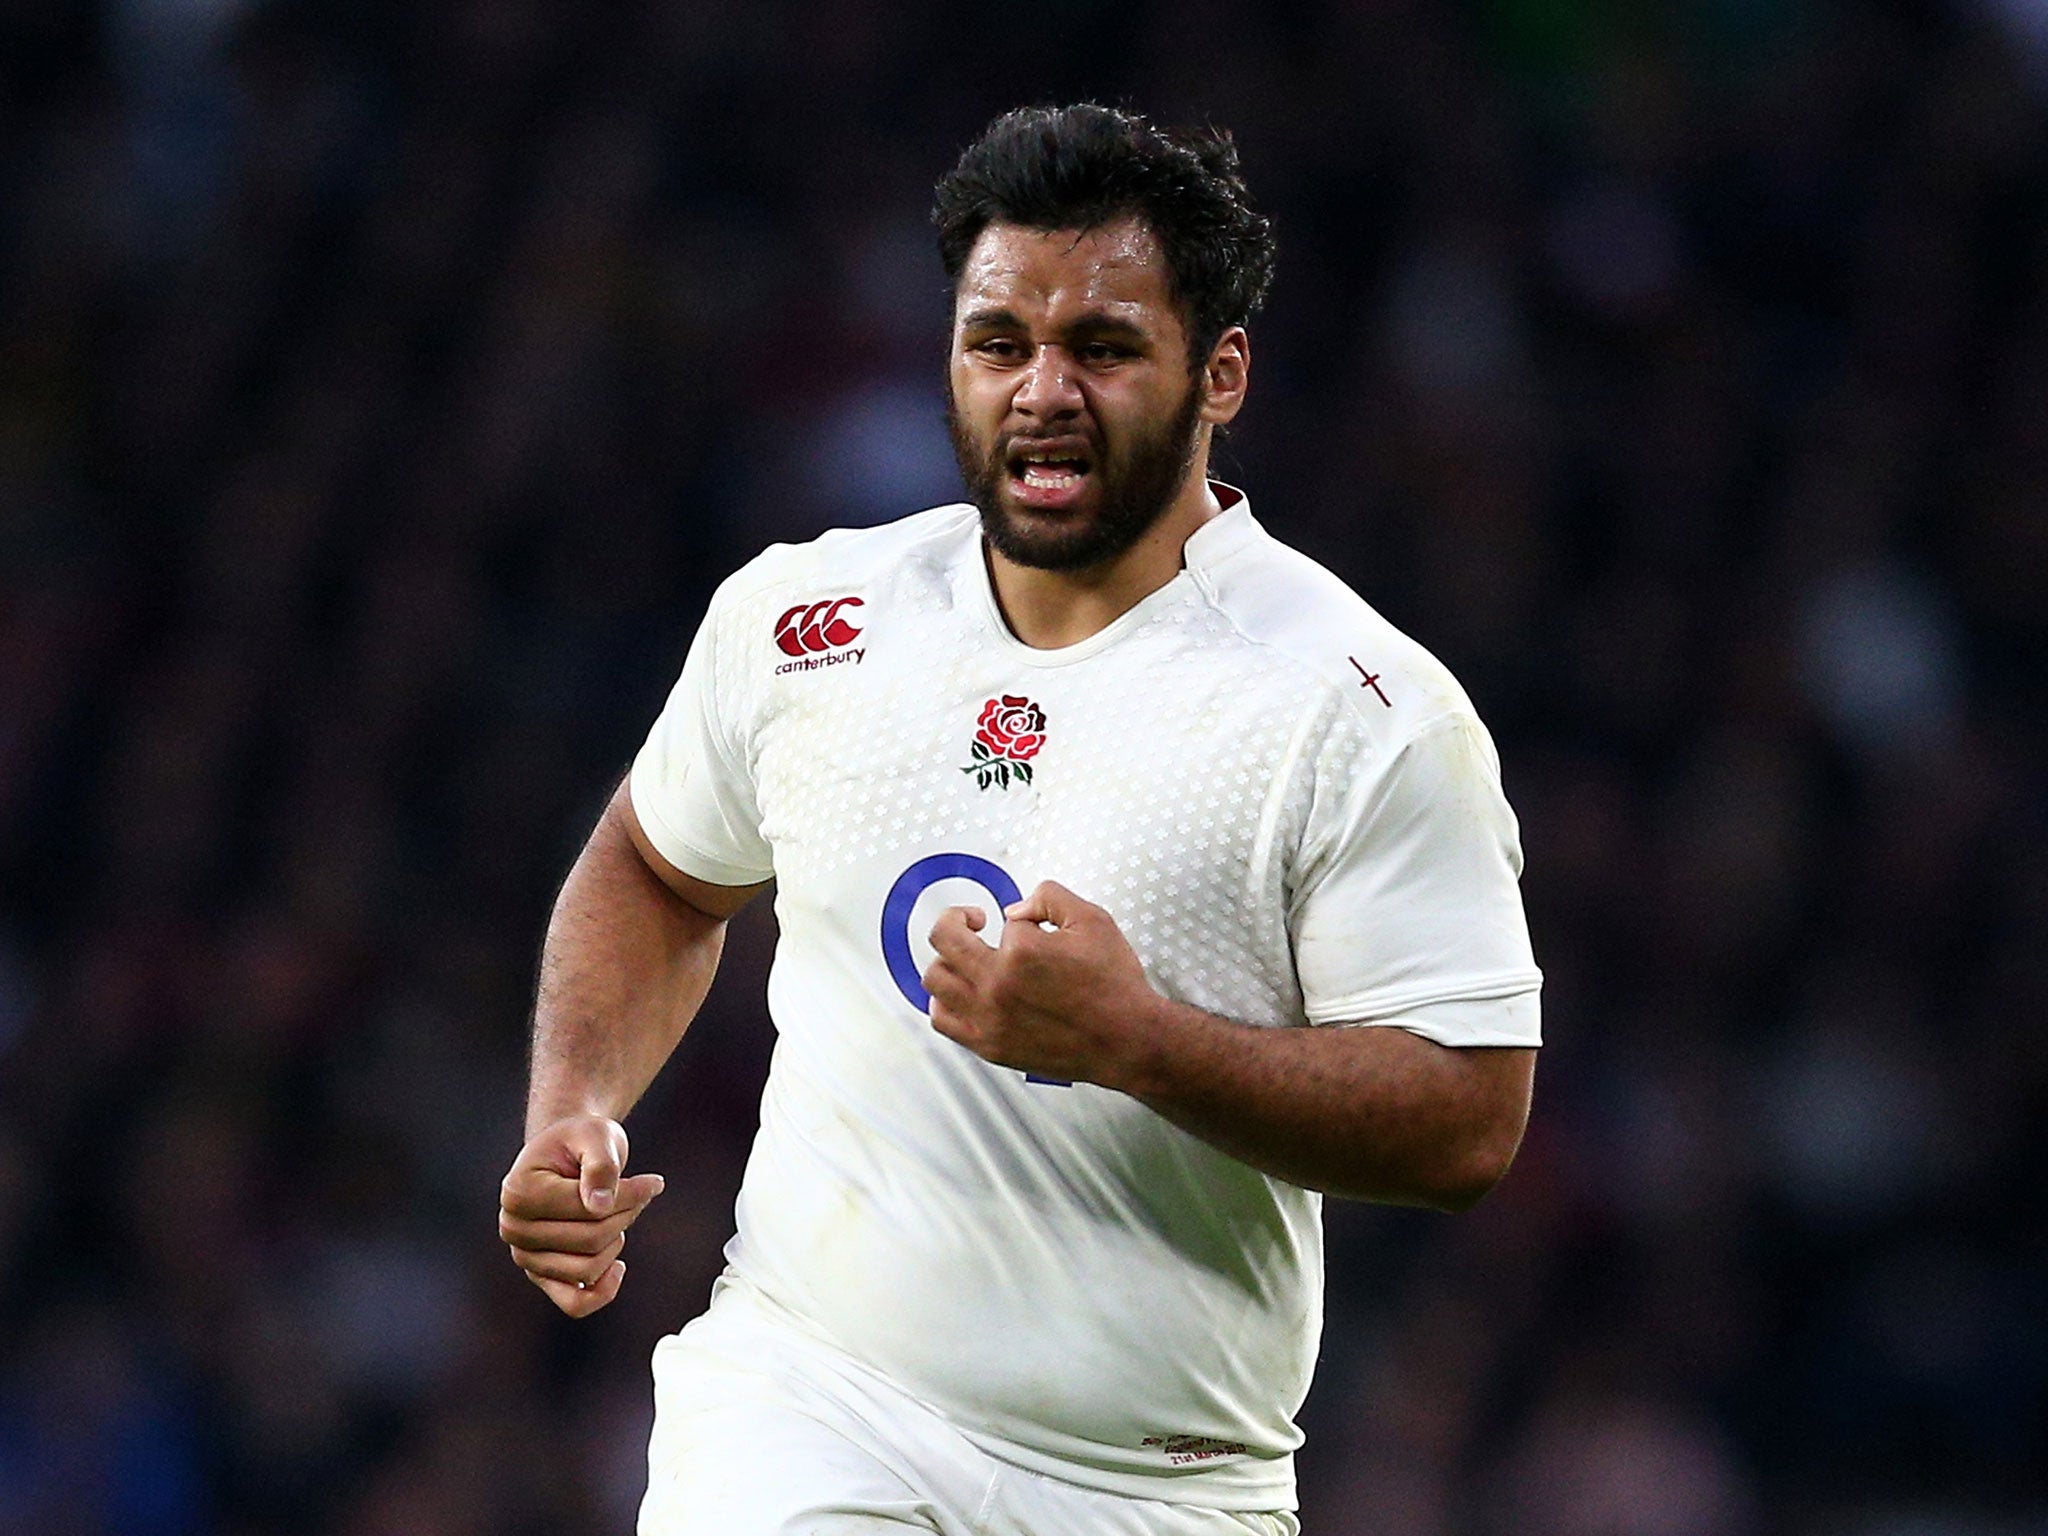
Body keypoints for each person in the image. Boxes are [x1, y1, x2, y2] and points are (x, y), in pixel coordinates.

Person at [498, 103, 1541, 1534]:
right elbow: (658, 871)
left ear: (1220, 371)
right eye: (1000, 344)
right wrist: (572, 1112)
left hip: (1155, 1484)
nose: (1042, 390)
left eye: (1103, 348)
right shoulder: (808, 622)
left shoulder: (1358, 709)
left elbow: (1468, 1122)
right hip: (815, 1403)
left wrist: (1139, 1042)